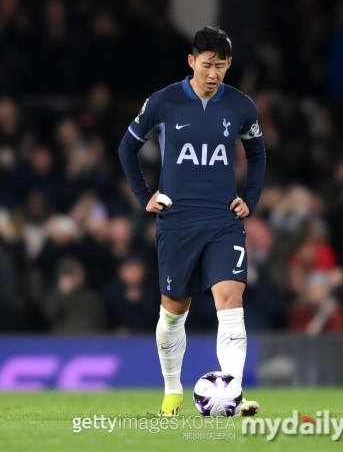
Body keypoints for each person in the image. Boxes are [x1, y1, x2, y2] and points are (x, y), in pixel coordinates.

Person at [118, 27, 265, 416]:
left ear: (229, 64)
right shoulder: (164, 102)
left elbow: (258, 154)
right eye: (206, 65)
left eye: (220, 66)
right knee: (173, 311)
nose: (213, 73)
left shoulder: (240, 106)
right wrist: (143, 197)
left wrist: (248, 200)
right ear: (191, 62)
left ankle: (231, 392)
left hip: (222, 220)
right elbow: (127, 148)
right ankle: (171, 391)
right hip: (177, 220)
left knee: (231, 300)